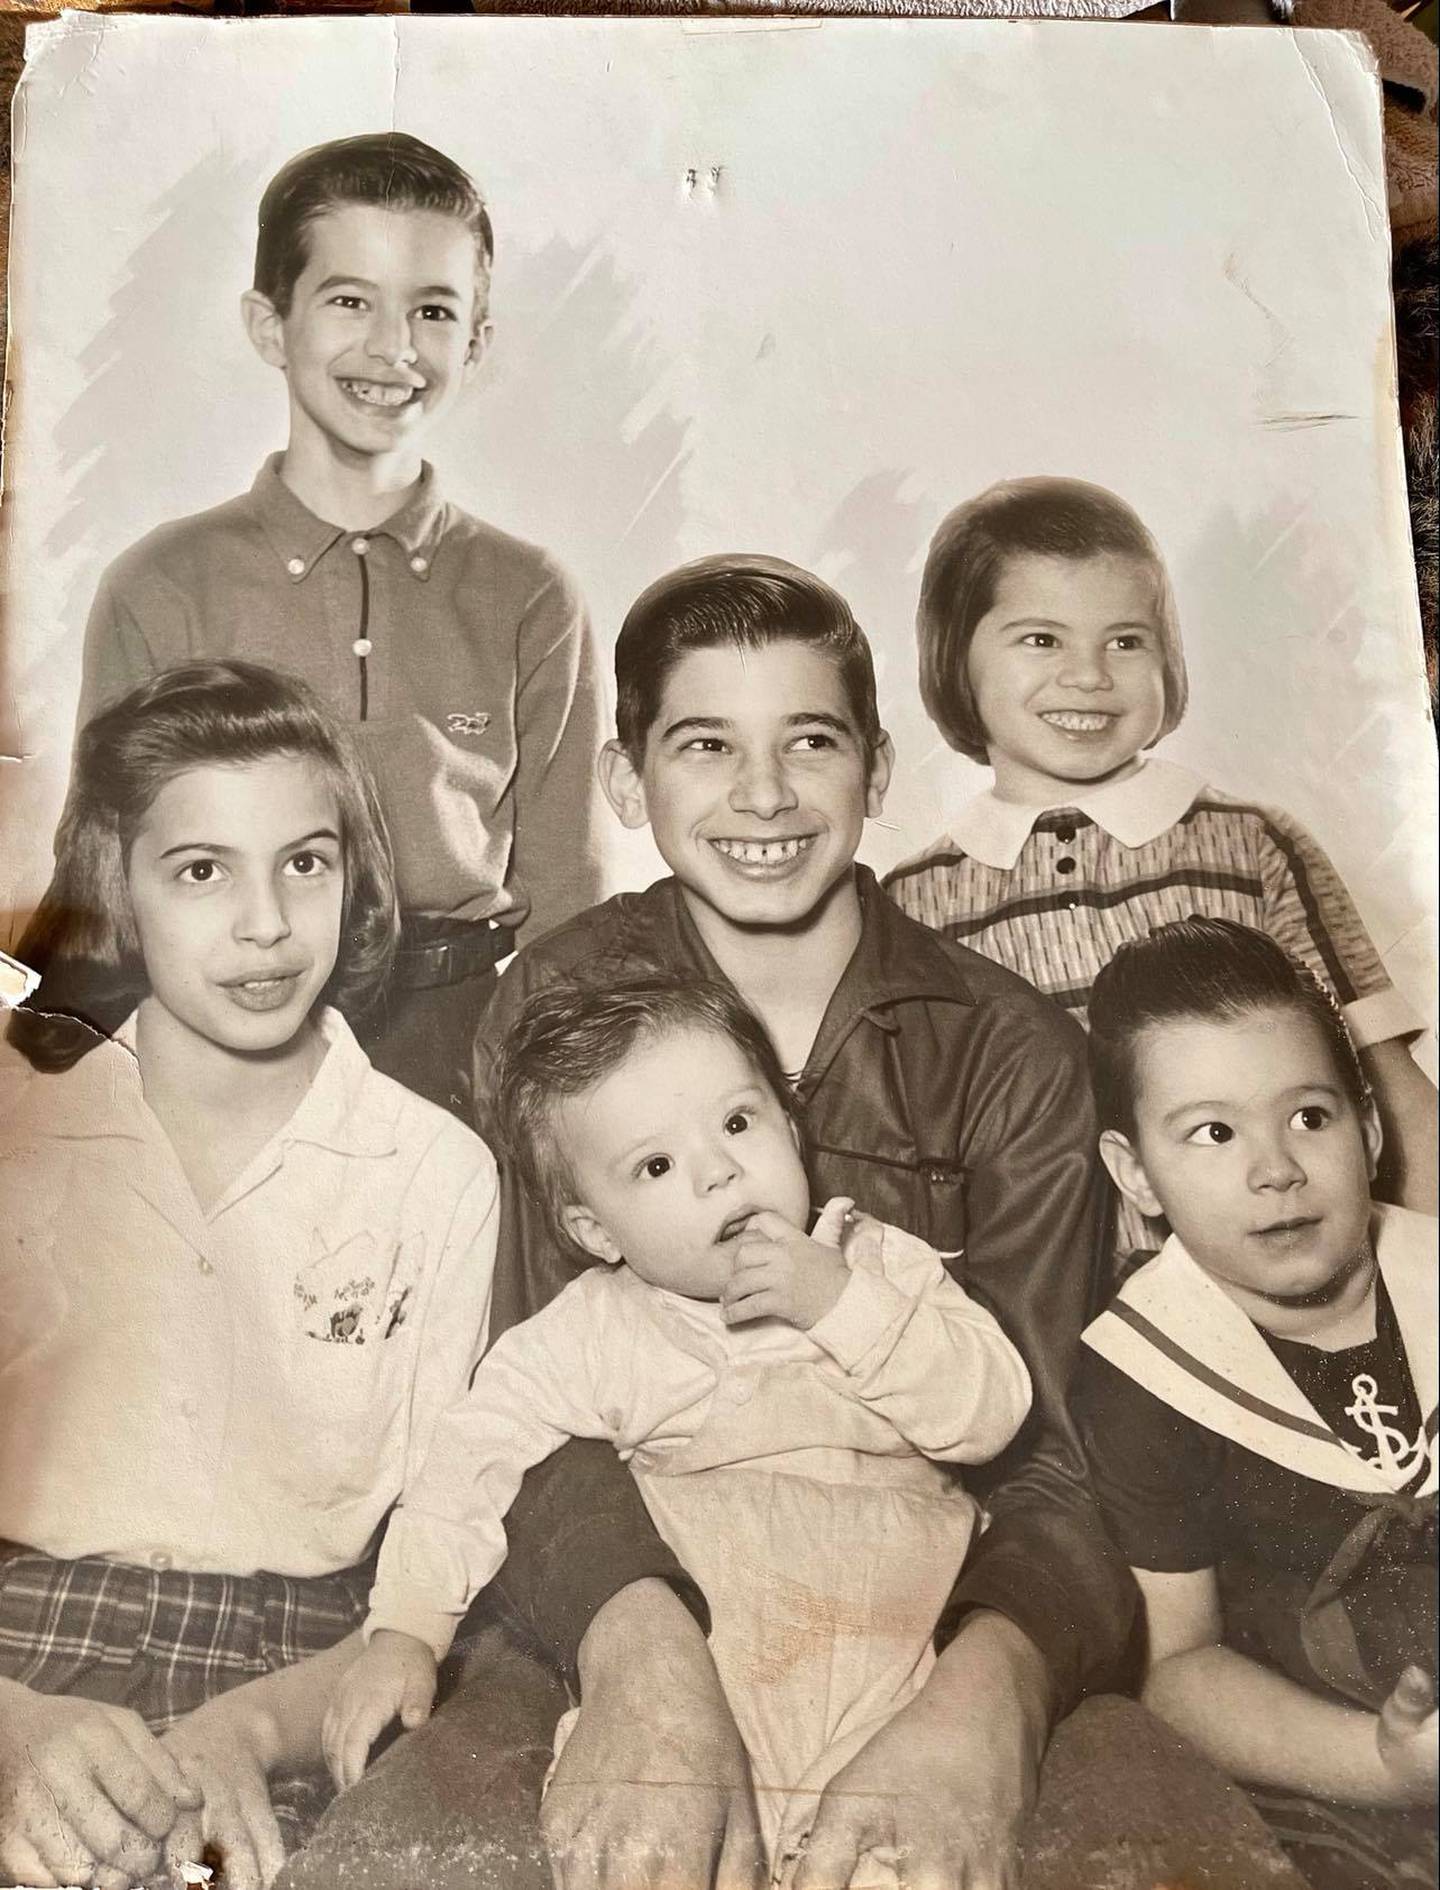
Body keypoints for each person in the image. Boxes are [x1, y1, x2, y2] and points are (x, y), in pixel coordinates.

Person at [289, 552, 1147, 1890]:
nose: (763, 795)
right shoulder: (559, 1001)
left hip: (926, 1616)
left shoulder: (1011, 1047)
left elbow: (1047, 1451)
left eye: (810, 740)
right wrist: (640, 1654)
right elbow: (524, 1412)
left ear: (877, 766)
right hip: (600, 1603)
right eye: (705, 744)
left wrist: (988, 1701)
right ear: (632, 779)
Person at [325, 973, 1033, 1879]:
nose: (718, 1171)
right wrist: (407, 1632)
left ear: (790, 1125)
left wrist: (839, 1304)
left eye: (738, 1124)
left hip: (901, 1684)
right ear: (595, 1227)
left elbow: (991, 1413)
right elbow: (468, 1458)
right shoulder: (600, 1331)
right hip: (716, 1699)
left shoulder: (878, 1265)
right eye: (655, 1167)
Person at [0, 662, 499, 1890]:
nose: (267, 923)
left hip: (300, 1676)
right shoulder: (18, 1123)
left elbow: (423, 1583)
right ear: (118, 880)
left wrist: (250, 1731)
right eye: (202, 870)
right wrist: (14, 1730)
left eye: (306, 863)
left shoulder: (435, 1174)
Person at [77, 132, 606, 1118]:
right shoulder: (160, 585)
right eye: (350, 299)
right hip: (228, 1033)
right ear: (271, 325)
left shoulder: (531, 594)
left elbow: (566, 900)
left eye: (434, 311)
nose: (392, 349)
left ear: (478, 340)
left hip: (465, 1040)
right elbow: (104, 886)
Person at [882, 476, 1437, 1217]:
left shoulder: (1252, 844)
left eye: (1126, 641)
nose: (1088, 676)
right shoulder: (910, 903)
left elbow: (1385, 1081)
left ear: (1168, 657)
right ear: (956, 657)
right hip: (1049, 1298)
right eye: (1042, 639)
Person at [1076, 917, 1436, 1890]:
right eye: (1214, 1132)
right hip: (1327, 1780)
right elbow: (1177, 1667)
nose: (1274, 1166)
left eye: (1309, 1117)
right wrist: (1381, 1763)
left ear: (1368, 1129)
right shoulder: (1140, 1375)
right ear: (1136, 1176)